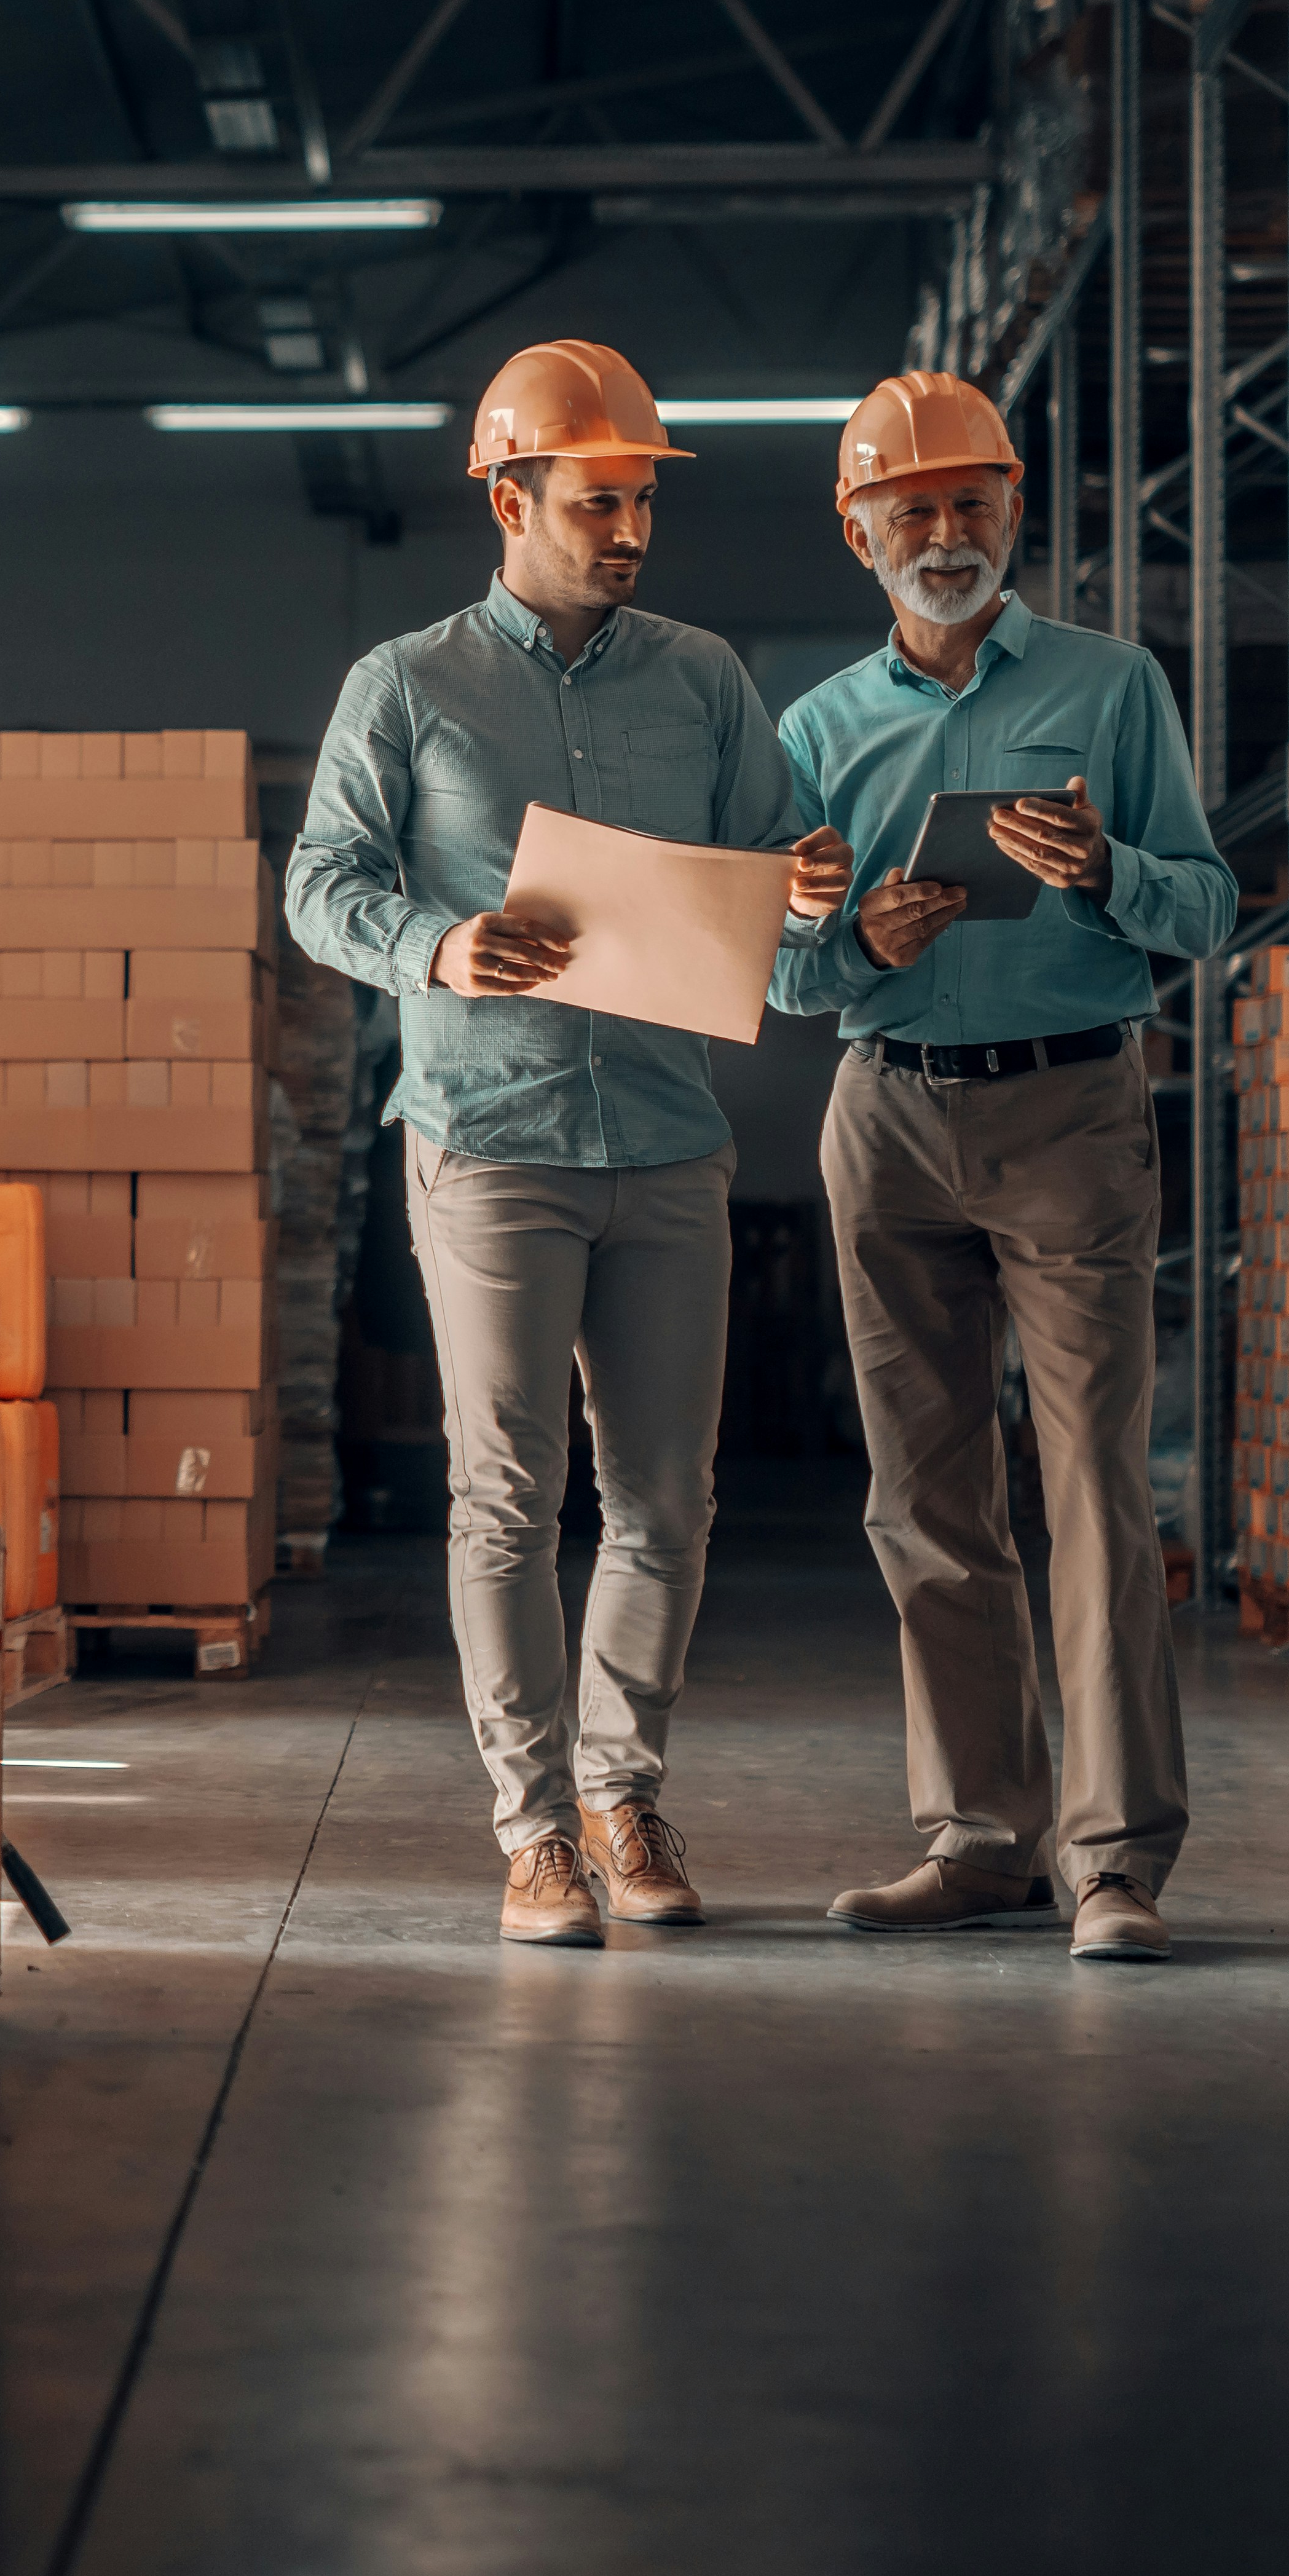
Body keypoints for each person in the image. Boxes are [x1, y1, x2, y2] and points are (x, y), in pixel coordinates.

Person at [285, 341, 849, 1949]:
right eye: (599, 501)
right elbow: (320, 885)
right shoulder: (405, 685)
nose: (630, 530)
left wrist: (808, 885)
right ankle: (533, 1829)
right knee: (506, 1496)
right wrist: (442, 950)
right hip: (489, 1133)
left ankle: (624, 1791)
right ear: (511, 497)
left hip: (669, 1135)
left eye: (640, 503)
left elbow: (777, 877)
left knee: (669, 1498)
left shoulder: (705, 679)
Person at [768, 371, 1239, 1964]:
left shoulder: (1113, 690)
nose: (945, 534)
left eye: (972, 504)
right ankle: (979, 1842)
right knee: (924, 1498)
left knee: (1093, 1490)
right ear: (859, 535)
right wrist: (856, 937)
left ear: (1015, 511)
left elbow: (1204, 909)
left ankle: (1113, 1865)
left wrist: (1107, 867)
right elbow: (778, 980)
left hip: (1070, 1118)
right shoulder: (817, 731)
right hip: (888, 1119)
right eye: (911, 510)